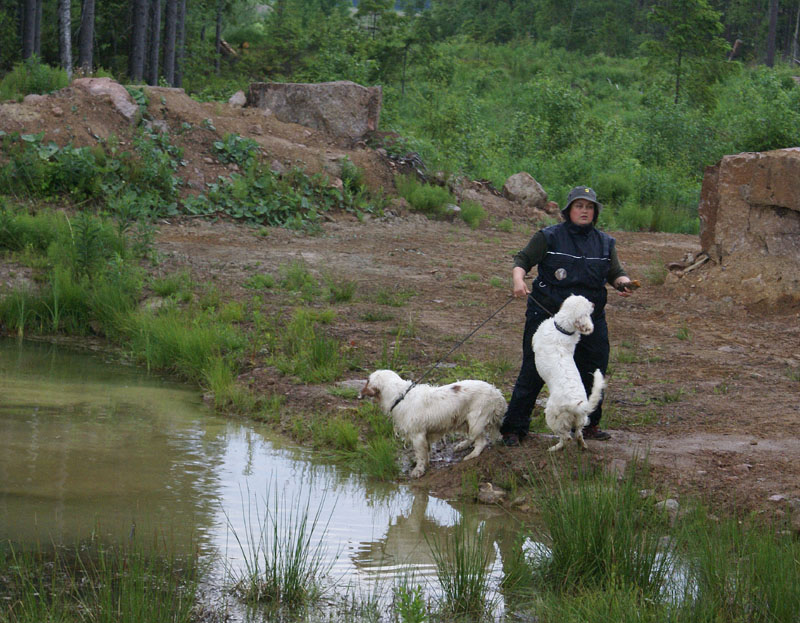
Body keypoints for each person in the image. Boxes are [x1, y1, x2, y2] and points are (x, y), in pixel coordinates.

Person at [500, 186, 634, 446]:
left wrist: (623, 282)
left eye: (589, 207)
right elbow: (522, 260)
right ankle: (513, 429)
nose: (584, 211)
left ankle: (587, 424)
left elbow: (616, 272)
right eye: (579, 206)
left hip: (586, 319)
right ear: (569, 210)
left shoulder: (605, 243)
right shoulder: (548, 236)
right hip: (547, 313)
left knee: (593, 368)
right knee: (534, 369)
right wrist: (518, 280)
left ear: (595, 212)